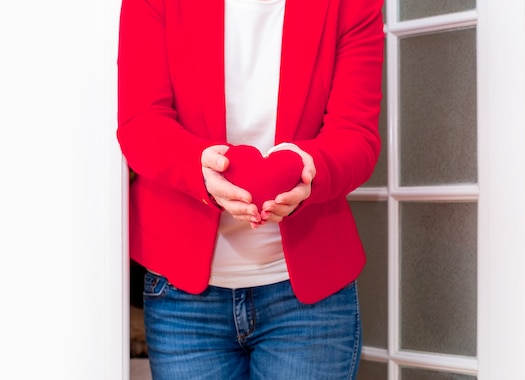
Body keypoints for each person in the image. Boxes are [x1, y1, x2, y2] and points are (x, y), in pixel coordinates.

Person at [116, 0, 384, 378]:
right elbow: (140, 123)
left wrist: (310, 167)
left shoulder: (351, 6)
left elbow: (357, 136)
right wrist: (199, 168)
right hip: (183, 295)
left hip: (310, 298)